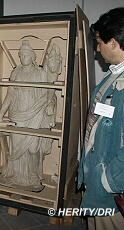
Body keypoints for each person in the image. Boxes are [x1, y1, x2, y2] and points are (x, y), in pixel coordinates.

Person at [77, 7, 124, 230]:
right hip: (97, 178)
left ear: (113, 42)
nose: (97, 49)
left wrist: (109, 180)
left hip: (110, 192)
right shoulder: (113, 76)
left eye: (99, 43)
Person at [0, 40, 56, 192]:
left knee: (33, 148)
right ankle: (17, 175)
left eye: (26, 54)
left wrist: (49, 104)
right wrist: (1, 114)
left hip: (35, 114)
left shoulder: (40, 73)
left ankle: (33, 176)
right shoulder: (15, 72)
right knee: (16, 147)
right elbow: (10, 95)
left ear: (33, 56)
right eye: (21, 55)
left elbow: (50, 91)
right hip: (17, 115)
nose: (24, 57)